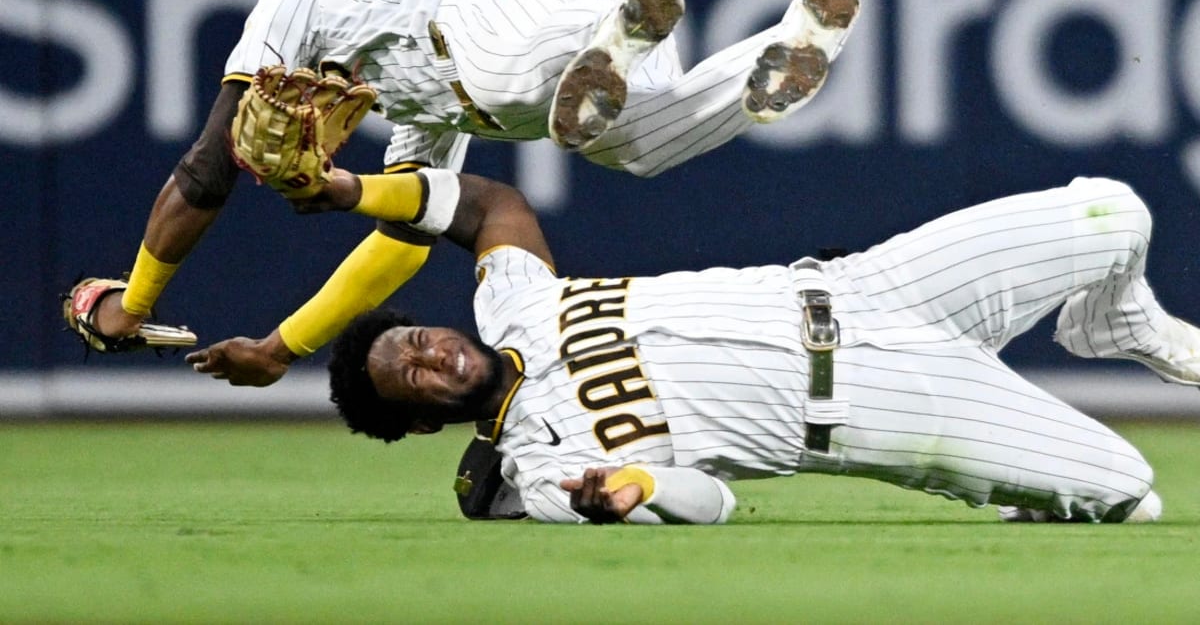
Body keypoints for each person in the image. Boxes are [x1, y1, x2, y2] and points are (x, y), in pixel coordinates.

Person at [72, 0, 860, 386]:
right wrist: (283, 347)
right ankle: (771, 51)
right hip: (552, 4)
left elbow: (206, 169)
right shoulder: (387, 43)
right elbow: (409, 231)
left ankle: (614, 37)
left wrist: (134, 305)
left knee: (501, 78)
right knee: (637, 146)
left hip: (507, 23)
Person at [307, 163, 1200, 524]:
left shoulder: (515, 304)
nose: (430, 358)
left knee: (1113, 210)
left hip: (869, 287)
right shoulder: (544, 464)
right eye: (412, 379)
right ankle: (1021, 487)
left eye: (416, 340)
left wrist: (355, 189)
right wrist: (635, 490)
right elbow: (712, 504)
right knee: (1131, 495)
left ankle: (1115, 323)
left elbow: (493, 207)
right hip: (873, 413)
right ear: (423, 422)